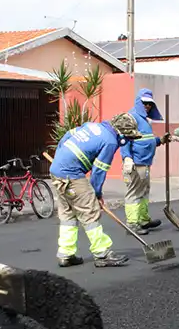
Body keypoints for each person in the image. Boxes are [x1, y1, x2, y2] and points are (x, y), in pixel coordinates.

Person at [50, 112, 148, 268]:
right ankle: (102, 253)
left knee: (68, 213)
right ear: (122, 134)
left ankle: (66, 254)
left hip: (56, 171)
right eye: (128, 138)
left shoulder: (92, 126)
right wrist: (96, 194)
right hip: (73, 174)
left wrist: (60, 157)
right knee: (89, 212)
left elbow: (67, 135)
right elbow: (98, 171)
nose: (127, 141)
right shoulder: (110, 142)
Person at [120, 88, 165, 235]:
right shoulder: (131, 118)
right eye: (145, 103)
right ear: (139, 102)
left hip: (145, 162)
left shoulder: (145, 120)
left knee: (144, 191)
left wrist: (160, 140)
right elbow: (124, 139)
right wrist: (127, 158)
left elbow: (146, 140)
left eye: (150, 104)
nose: (147, 106)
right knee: (134, 192)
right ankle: (132, 224)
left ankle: (143, 220)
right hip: (135, 163)